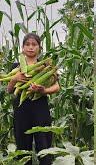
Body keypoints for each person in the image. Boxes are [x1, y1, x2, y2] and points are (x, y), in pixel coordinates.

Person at [7, 33, 60, 165]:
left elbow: (57, 87)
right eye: (27, 44)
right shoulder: (16, 67)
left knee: (45, 147)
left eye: (34, 44)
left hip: (40, 111)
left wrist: (43, 90)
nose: (31, 47)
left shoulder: (46, 66)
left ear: (39, 48)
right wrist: (14, 79)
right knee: (23, 149)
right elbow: (9, 90)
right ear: (23, 48)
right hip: (21, 112)